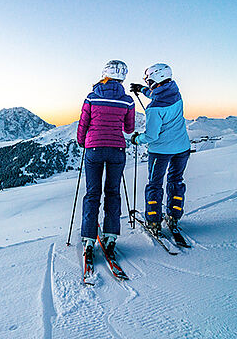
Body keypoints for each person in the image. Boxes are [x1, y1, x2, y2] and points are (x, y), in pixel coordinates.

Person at [77, 60, 135, 265]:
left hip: (93, 149)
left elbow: (83, 123)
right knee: (113, 192)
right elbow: (129, 129)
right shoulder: (127, 101)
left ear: (104, 75)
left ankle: (89, 239)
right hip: (117, 150)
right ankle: (111, 236)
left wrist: (83, 142)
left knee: (92, 193)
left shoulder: (91, 97)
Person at [129, 63, 191, 234]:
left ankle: (154, 221)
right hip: (182, 148)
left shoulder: (154, 108)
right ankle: (174, 216)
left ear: (154, 78)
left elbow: (151, 136)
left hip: (161, 152)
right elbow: (160, 95)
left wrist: (137, 139)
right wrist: (142, 90)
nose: (147, 82)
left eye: (148, 80)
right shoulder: (176, 93)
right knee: (176, 181)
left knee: (155, 185)